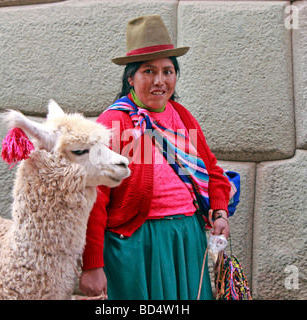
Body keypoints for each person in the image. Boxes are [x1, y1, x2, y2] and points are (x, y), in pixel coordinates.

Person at [79, 15, 232, 300]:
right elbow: (93, 199)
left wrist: (220, 211)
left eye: (167, 71)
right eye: (148, 71)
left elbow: (211, 171)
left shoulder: (183, 118)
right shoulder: (114, 124)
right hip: (135, 243)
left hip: (186, 239)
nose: (159, 81)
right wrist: (92, 264)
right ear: (131, 77)